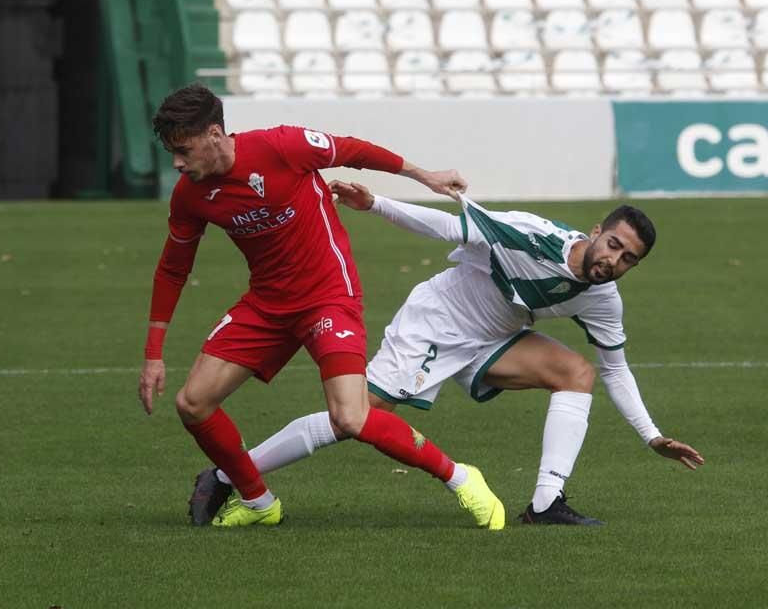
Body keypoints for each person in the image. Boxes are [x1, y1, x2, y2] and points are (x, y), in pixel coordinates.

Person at [192, 181, 705, 525]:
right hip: (436, 322)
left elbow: (616, 368)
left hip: (492, 340)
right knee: (356, 418)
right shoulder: (529, 235)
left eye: (627, 259)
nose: (614, 260)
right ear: (596, 233)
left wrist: (652, 436)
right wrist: (375, 203)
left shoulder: (602, 296)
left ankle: (547, 502)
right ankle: (227, 474)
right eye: (613, 244)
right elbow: (445, 226)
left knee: (578, 372)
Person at [139, 84, 506, 531]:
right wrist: (153, 353)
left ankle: (461, 477)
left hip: (327, 295)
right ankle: (258, 502)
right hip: (267, 303)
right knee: (193, 403)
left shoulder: (281, 145)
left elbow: (354, 149)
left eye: (183, 149)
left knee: (350, 417)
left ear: (215, 134)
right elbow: (173, 269)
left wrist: (423, 175)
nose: (177, 162)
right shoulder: (190, 195)